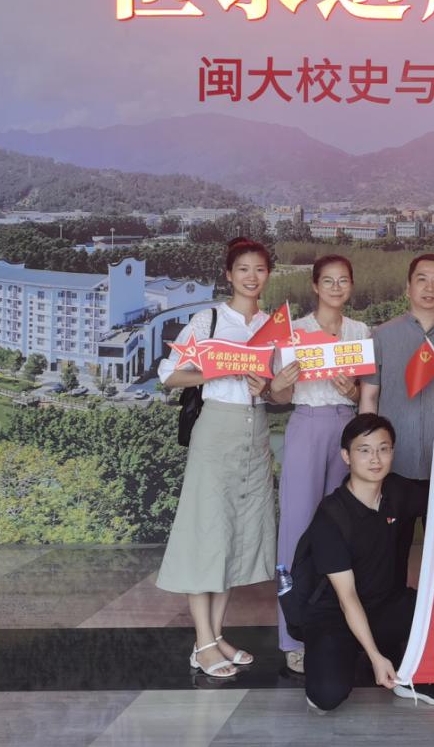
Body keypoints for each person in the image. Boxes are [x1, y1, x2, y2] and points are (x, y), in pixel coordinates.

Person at [156, 237, 290, 678]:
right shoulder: (208, 319)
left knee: (234, 535)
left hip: (256, 433)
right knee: (207, 534)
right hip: (216, 430)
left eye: (260, 269)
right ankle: (202, 643)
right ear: (229, 275)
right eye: (243, 269)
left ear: (268, 275)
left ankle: (216, 637)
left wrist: (268, 388)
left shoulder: (273, 326)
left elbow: (281, 395)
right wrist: (221, 368)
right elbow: (169, 375)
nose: (252, 277)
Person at [295, 413, 434, 712]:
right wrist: (374, 656)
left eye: (383, 449)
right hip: (336, 615)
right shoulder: (331, 516)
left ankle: (406, 673)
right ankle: (355, 652)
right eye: (364, 450)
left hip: (387, 606)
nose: (375, 459)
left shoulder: (398, 491)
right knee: (326, 696)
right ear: (346, 456)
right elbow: (347, 597)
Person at [269, 254, 370, 674]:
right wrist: (280, 384)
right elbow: (278, 396)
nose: (335, 287)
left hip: (348, 429)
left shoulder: (360, 331)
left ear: (351, 286)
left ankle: (340, 631)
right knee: (296, 530)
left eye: (343, 280)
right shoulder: (295, 332)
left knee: (344, 532)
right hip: (307, 425)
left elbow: (364, 392)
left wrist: (352, 391)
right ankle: (292, 637)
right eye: (327, 280)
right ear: (314, 285)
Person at [359, 253, 434, 585]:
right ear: (408, 288)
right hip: (393, 464)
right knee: (389, 552)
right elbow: (369, 396)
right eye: (422, 280)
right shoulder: (382, 336)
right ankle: (390, 613)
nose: (429, 288)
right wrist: (366, 454)